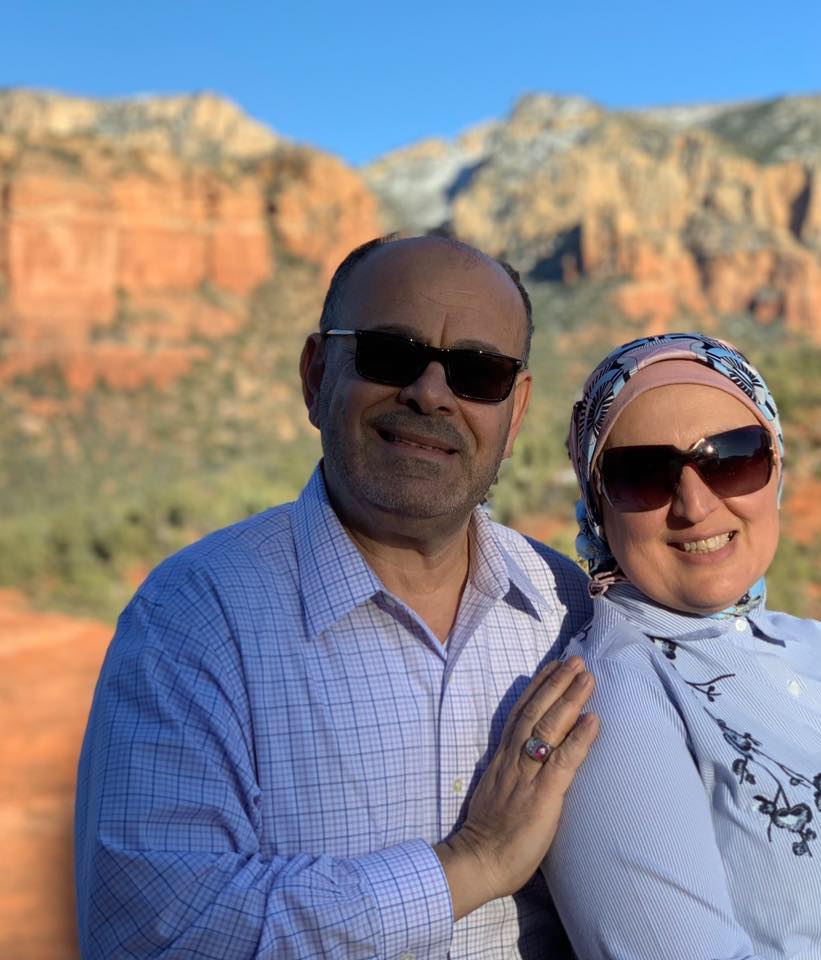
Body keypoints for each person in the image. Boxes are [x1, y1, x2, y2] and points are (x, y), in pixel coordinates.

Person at [74, 234, 599, 959]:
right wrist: (470, 864)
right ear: (316, 375)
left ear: (516, 410)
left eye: (479, 373)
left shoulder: (568, 606)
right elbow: (156, 930)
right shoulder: (194, 618)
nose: (431, 394)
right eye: (390, 354)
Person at [544, 333, 821, 959]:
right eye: (643, 475)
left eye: (732, 459)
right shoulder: (617, 702)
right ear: (598, 504)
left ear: (776, 469)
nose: (694, 504)